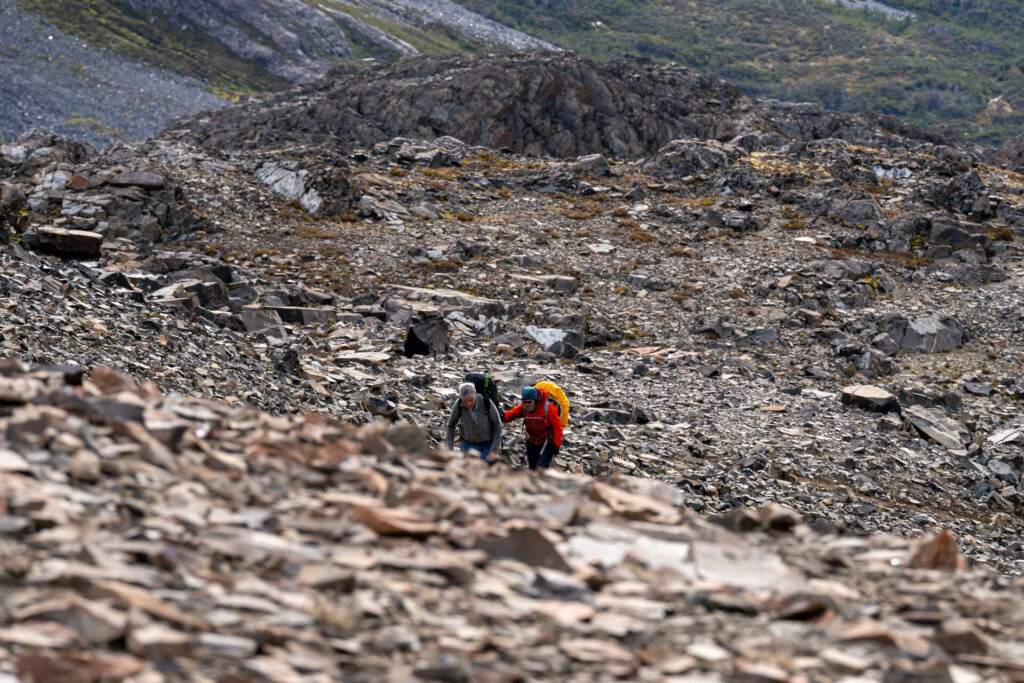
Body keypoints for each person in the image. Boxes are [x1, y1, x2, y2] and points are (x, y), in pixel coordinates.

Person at [504, 386, 562, 472]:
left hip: (546, 443)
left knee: (541, 469)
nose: (527, 404)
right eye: (524, 402)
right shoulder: (524, 407)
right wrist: (501, 416)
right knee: (532, 468)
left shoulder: (548, 408)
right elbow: (511, 415)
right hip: (531, 441)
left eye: (529, 402)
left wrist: (556, 445)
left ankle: (543, 484)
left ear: (535, 399)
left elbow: (558, 427)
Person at [445, 382, 502, 461]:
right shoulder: (458, 404)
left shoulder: (486, 402)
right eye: (465, 401)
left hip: (487, 444)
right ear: (461, 398)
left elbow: (497, 425)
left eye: (471, 400)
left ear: (475, 393)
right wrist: (449, 448)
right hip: (468, 443)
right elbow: (450, 425)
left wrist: (494, 450)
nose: (468, 404)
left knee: (485, 469)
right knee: (466, 469)